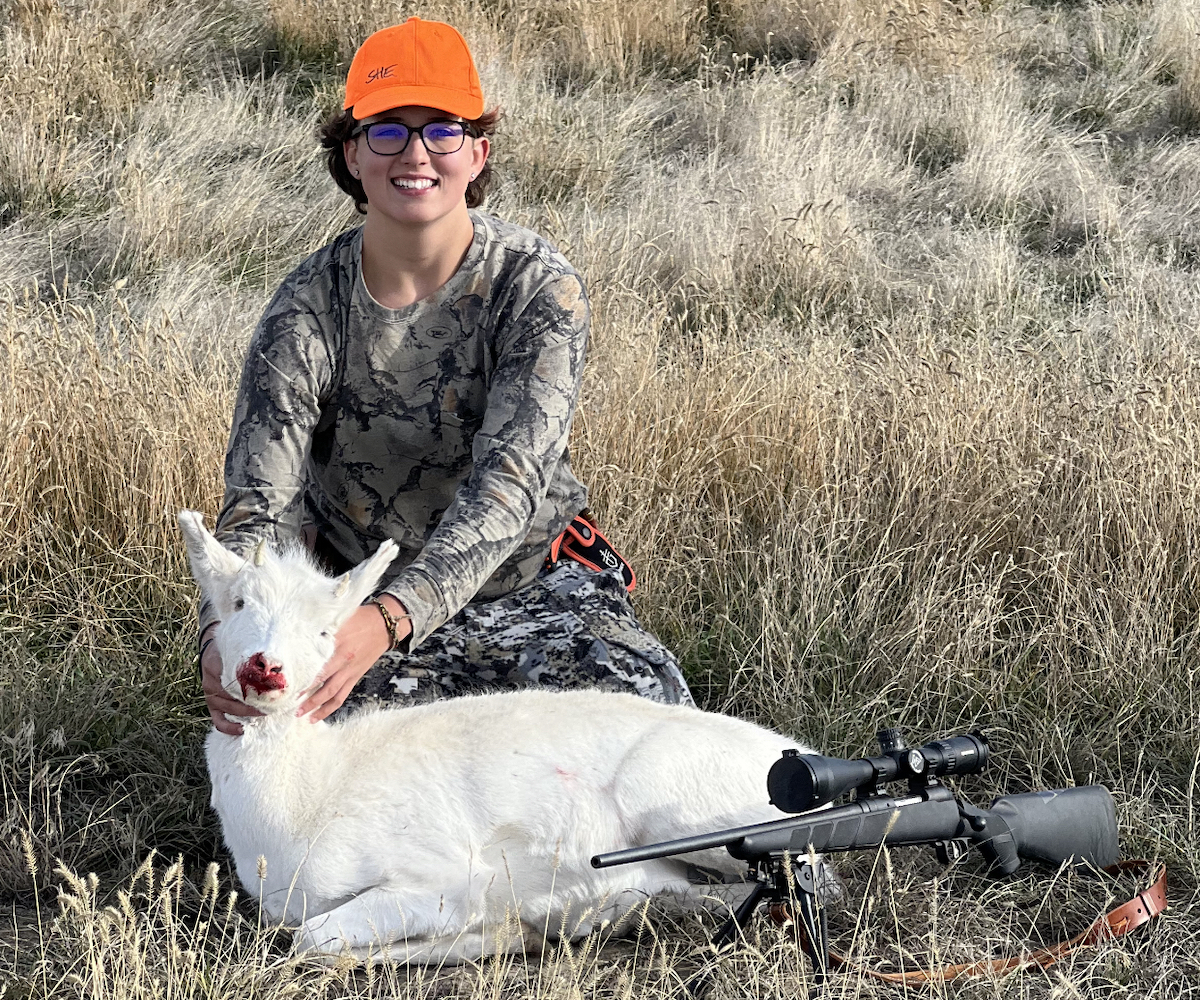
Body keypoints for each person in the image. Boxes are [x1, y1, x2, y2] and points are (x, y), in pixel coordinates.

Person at [197, 17, 693, 736]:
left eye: (442, 130)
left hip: (527, 585)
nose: (416, 153)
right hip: (351, 599)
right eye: (387, 131)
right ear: (352, 154)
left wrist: (390, 619)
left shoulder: (534, 288)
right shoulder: (304, 310)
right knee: (303, 742)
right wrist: (223, 638)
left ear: (477, 152)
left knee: (649, 713)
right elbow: (257, 506)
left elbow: (508, 488)